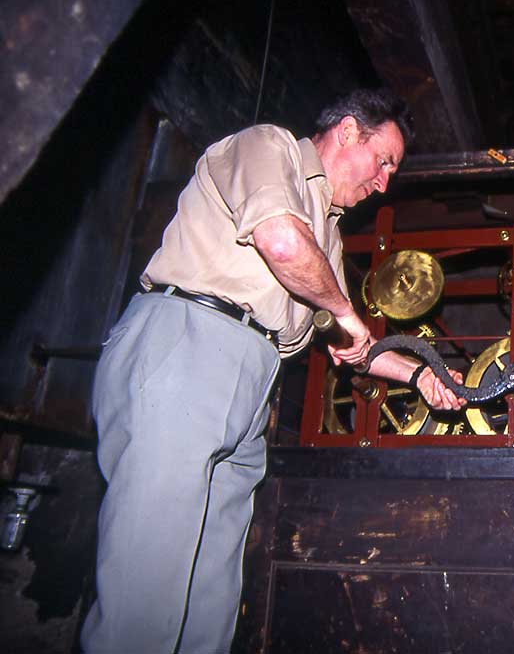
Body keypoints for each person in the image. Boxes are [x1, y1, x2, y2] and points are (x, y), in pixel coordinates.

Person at [81, 88, 464, 653]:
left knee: (209, 598)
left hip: (250, 381)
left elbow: (351, 341)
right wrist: (342, 309)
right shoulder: (270, 147)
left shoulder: (328, 234)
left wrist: (419, 376)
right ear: (349, 131)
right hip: (190, 343)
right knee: (148, 584)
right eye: (384, 161)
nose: (384, 182)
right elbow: (282, 243)